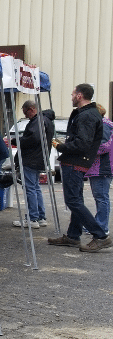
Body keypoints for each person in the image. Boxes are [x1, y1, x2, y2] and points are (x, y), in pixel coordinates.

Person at [48, 83, 112, 252]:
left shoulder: (87, 115)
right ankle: (73, 236)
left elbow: (83, 143)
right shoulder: (87, 113)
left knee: (73, 201)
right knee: (76, 199)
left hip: (76, 162)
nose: (71, 97)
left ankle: (100, 236)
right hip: (76, 162)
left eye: (72, 94)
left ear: (79, 96)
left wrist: (62, 147)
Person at [11, 100, 54, 228]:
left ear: (31, 109)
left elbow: (34, 138)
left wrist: (17, 140)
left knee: (30, 188)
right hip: (39, 158)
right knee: (35, 187)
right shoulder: (46, 120)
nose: (25, 116)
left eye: (25, 112)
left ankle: (32, 218)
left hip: (31, 159)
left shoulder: (38, 121)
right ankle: (40, 216)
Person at [84, 103, 113, 235]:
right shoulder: (105, 123)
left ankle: (102, 227)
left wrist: (86, 149)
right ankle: (99, 224)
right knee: (100, 197)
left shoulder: (104, 125)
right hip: (100, 166)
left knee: (101, 197)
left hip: (102, 167)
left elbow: (104, 146)